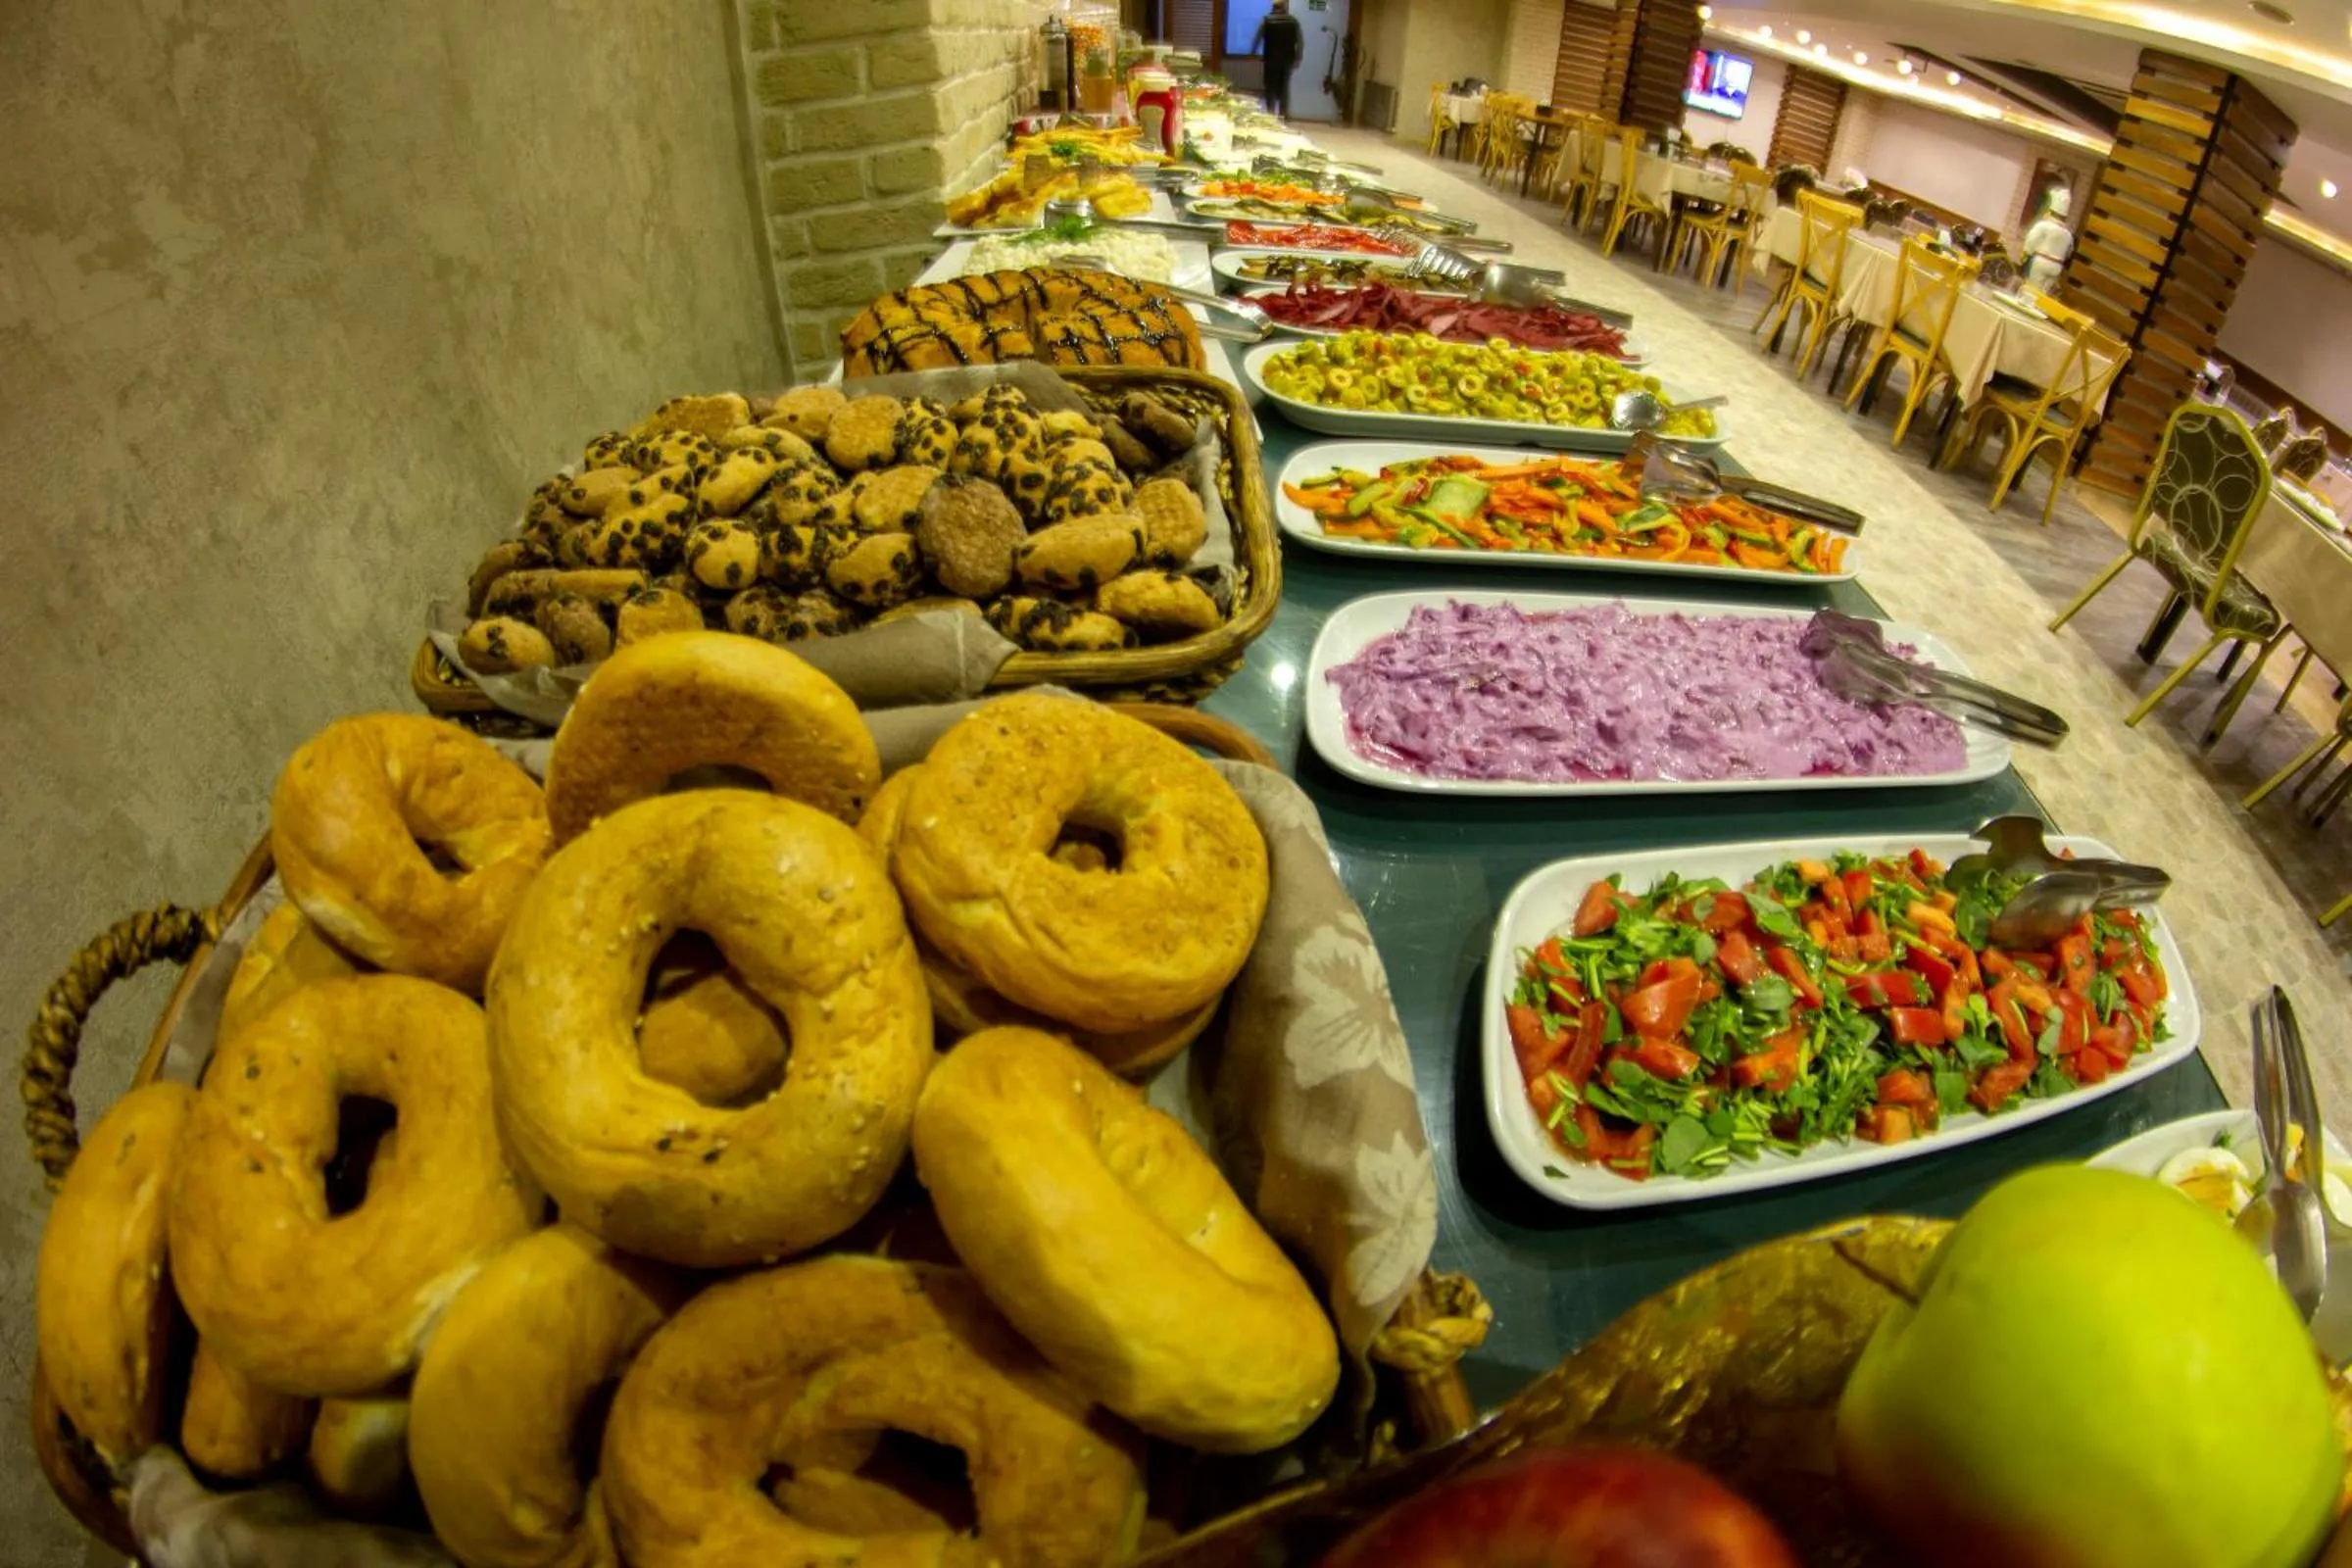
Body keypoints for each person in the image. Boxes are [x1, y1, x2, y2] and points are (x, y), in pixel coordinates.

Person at [1252, 0, 1304, 120]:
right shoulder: (1293, 21)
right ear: (1284, 7)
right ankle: (1283, 113)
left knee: (1270, 85)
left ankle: (1270, 113)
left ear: (1273, 7)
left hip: (1270, 58)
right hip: (1287, 58)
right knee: (1284, 86)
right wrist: (1298, 57)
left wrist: (1254, 52)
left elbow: (1257, 38)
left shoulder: (1267, 20)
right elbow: (1300, 41)